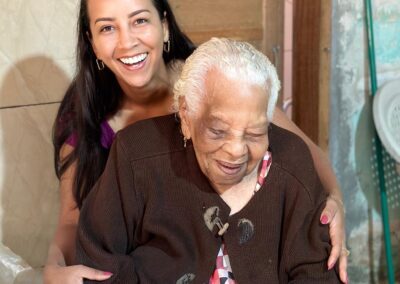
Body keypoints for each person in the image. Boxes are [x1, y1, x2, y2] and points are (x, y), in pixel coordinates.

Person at [44, 0, 348, 283]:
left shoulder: (215, 82)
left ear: (163, 26)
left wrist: (334, 203)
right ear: (92, 42)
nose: (127, 42)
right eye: (107, 28)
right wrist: (53, 267)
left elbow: (301, 153)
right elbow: (72, 220)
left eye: (139, 20)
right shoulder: (91, 119)